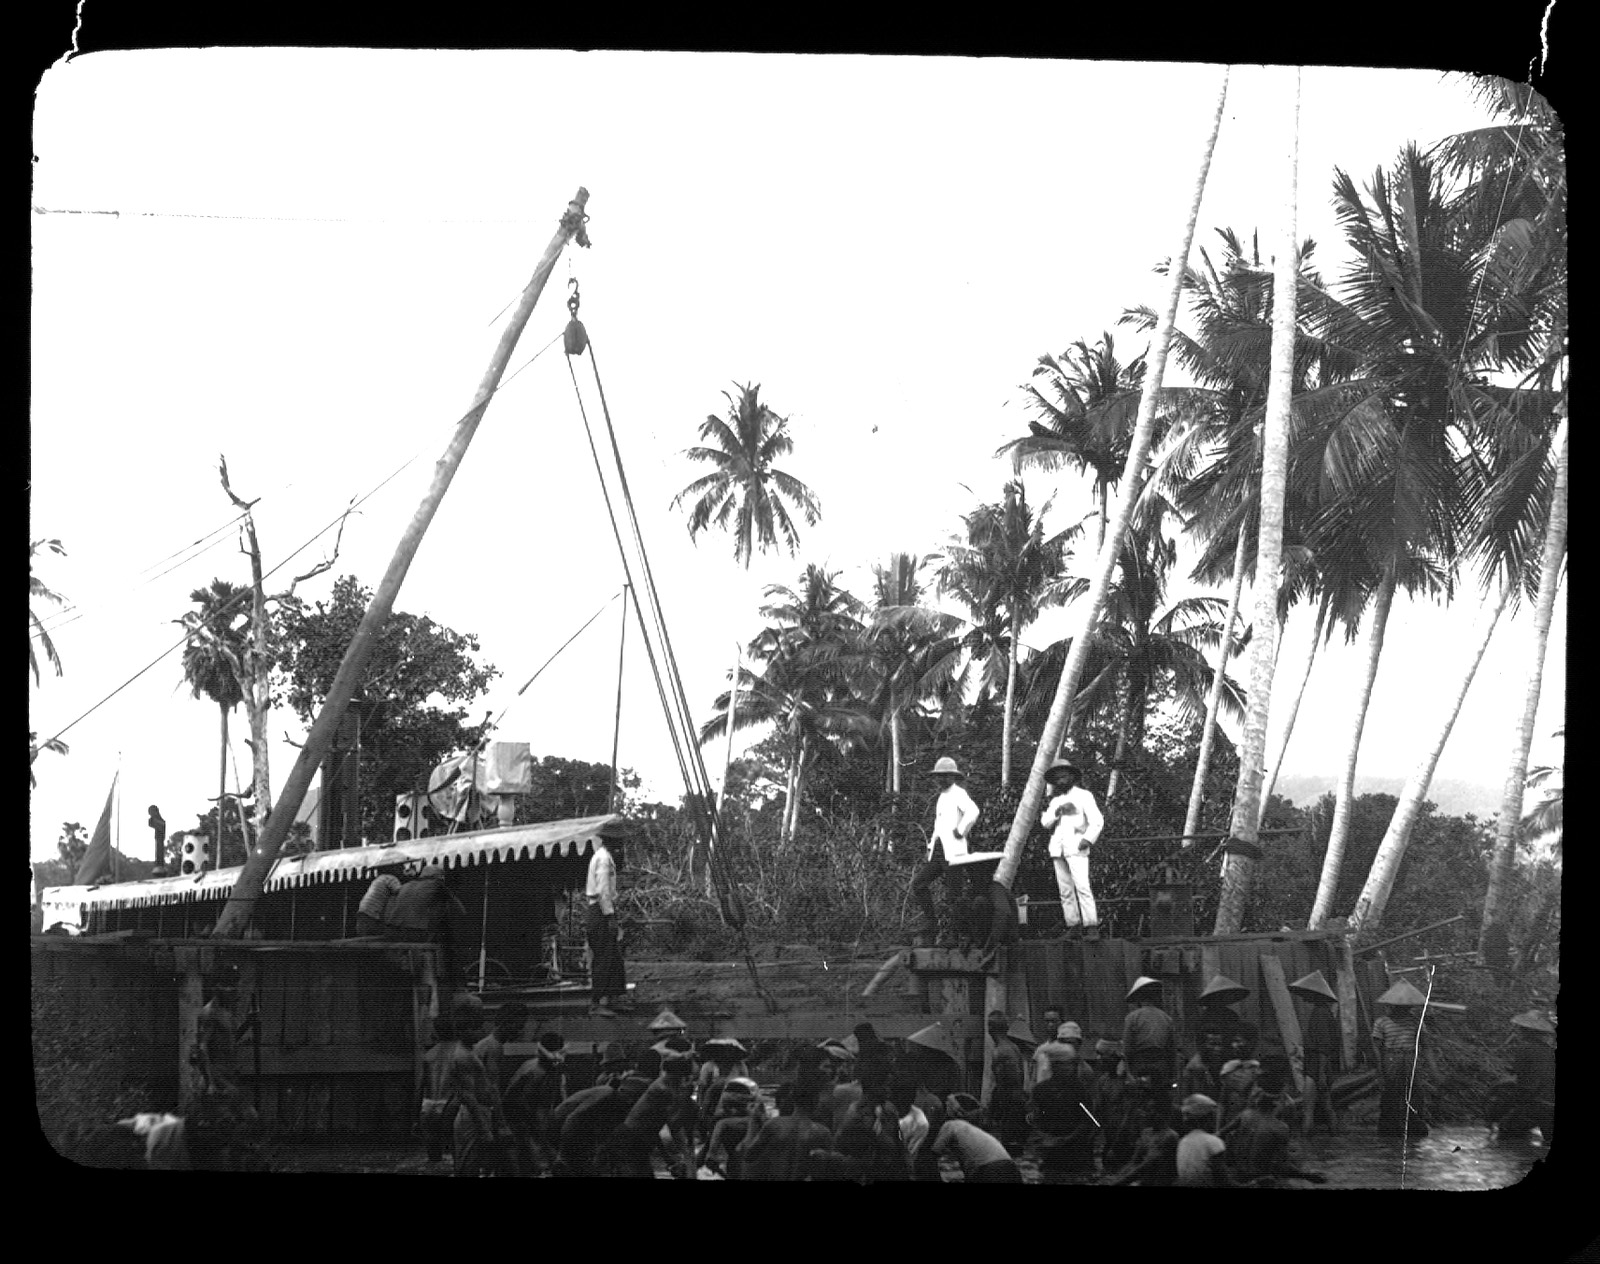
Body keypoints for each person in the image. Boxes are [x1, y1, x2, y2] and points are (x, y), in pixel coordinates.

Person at [909, 756, 981, 946]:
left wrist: (961, 829)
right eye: (938, 776)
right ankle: (931, 921)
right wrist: (931, 847)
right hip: (939, 851)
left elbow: (973, 811)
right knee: (919, 884)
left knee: (954, 895)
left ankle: (956, 935)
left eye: (945, 776)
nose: (940, 780)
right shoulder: (941, 797)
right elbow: (938, 826)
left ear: (953, 777)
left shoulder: (959, 793)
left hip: (954, 852)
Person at [599, 1054, 697, 1179]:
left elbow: (666, 1126)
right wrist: (685, 1154)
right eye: (685, 1076)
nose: (686, 1079)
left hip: (638, 1140)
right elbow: (674, 1124)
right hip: (630, 1139)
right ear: (678, 1074)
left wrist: (676, 1157)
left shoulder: (668, 1087)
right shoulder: (662, 1089)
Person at [1040, 756, 1103, 935]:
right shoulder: (1055, 801)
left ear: (1072, 777)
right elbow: (1045, 823)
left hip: (1076, 846)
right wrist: (1057, 813)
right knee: (1065, 890)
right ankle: (1073, 924)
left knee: (1082, 886)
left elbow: (1097, 821)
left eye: (1064, 776)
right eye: (1057, 778)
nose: (1061, 780)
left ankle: (1091, 925)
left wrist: (1088, 839)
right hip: (1058, 848)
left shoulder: (1084, 796)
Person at [737, 1064, 834, 1181]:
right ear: (816, 1102)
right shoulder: (822, 1132)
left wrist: (754, 1120)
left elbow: (749, 1156)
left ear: (793, 1099)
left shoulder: (774, 1125)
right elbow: (827, 1170)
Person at [1227, 1087, 1328, 1187]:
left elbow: (1221, 1135)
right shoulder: (1280, 1128)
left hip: (1236, 1174)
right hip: (1260, 1179)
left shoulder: (1245, 1115)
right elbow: (1282, 1166)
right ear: (1276, 1106)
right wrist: (1307, 1175)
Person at [555, 1074, 649, 1178]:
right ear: (627, 1094)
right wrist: (562, 1154)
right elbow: (572, 1120)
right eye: (634, 1100)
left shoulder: (620, 1105)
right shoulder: (606, 1094)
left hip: (579, 1133)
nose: (632, 1104)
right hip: (561, 1128)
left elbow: (612, 1134)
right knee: (577, 1168)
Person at [1370, 979, 1430, 1138]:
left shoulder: (1416, 1022)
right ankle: (1390, 1129)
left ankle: (1414, 1126)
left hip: (1410, 1058)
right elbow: (1377, 1048)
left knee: (1414, 1093)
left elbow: (1425, 1045)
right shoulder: (1382, 1022)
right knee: (1391, 1093)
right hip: (1391, 1059)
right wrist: (1380, 1070)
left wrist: (1433, 1069)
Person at [502, 1031, 568, 1173]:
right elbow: (523, 1104)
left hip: (533, 1117)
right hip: (519, 1120)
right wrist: (537, 1131)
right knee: (535, 1162)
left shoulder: (547, 1069)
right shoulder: (536, 1072)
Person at [1289, 970, 1342, 1134]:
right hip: (1319, 1064)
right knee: (1326, 1104)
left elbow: (1323, 1047)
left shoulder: (1319, 1014)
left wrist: (1320, 1074)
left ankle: (1307, 1143)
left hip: (1317, 1065)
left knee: (1308, 1109)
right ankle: (1334, 1135)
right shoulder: (1324, 1012)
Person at [1490, 1011, 1556, 1144]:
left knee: (1505, 1132)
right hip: (1549, 1104)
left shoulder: (1525, 1049)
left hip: (1538, 1104)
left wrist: (1512, 1105)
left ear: (1525, 1031)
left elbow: (1527, 1086)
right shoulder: (1549, 1051)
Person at [934, 1093, 1023, 1182]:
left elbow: (933, 1153)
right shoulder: (973, 1131)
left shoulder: (951, 1125)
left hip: (991, 1171)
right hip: (1011, 1168)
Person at [585, 837, 627, 1016]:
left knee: (613, 956)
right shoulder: (603, 859)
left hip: (601, 909)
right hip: (600, 911)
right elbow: (603, 890)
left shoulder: (604, 856)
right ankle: (597, 1002)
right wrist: (609, 916)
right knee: (603, 955)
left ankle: (612, 998)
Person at [1101, 1091, 1179, 1186]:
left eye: (1152, 1109)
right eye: (1148, 1109)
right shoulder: (1146, 1132)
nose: (1148, 1113)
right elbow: (1134, 1161)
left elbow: (1146, 1166)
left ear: (1163, 1112)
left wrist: (1118, 1181)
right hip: (1143, 1180)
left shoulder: (1169, 1136)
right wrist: (1118, 1176)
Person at [1120, 977, 1176, 1093]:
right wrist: (1171, 1075)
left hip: (1139, 1064)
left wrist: (1128, 1072)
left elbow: (1127, 1049)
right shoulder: (1166, 1018)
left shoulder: (1132, 1018)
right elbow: (1171, 1050)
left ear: (1139, 999)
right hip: (1161, 1065)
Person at [985, 1010, 1029, 1149]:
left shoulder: (1001, 1051)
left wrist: (996, 1104)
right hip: (1015, 1099)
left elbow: (1008, 1081)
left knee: (1009, 1145)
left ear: (990, 1028)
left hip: (1010, 1101)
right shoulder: (1012, 1047)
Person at [1174, 1094, 1239, 1187]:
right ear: (1208, 1117)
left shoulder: (1183, 1141)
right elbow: (1223, 1180)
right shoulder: (1213, 1142)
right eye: (1213, 1115)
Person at [473, 1001, 529, 1098]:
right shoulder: (490, 1048)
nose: (521, 1031)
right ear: (506, 1023)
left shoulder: (501, 1045)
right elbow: (492, 1088)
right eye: (519, 1027)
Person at [1195, 974, 1251, 1050]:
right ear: (1212, 998)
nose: (1222, 999)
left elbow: (1237, 1033)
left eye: (1224, 996)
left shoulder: (1231, 1014)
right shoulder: (1206, 1016)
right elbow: (1202, 1039)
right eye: (1218, 997)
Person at [356, 865, 404, 936]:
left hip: (363, 911)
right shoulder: (391, 878)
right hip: (372, 914)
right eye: (401, 867)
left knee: (363, 940)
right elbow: (401, 892)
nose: (403, 869)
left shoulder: (379, 879)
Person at [1181, 1030, 1228, 1101]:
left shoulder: (1218, 1065)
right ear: (1201, 1045)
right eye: (1212, 1044)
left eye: (1219, 1044)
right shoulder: (1195, 1070)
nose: (1218, 1048)